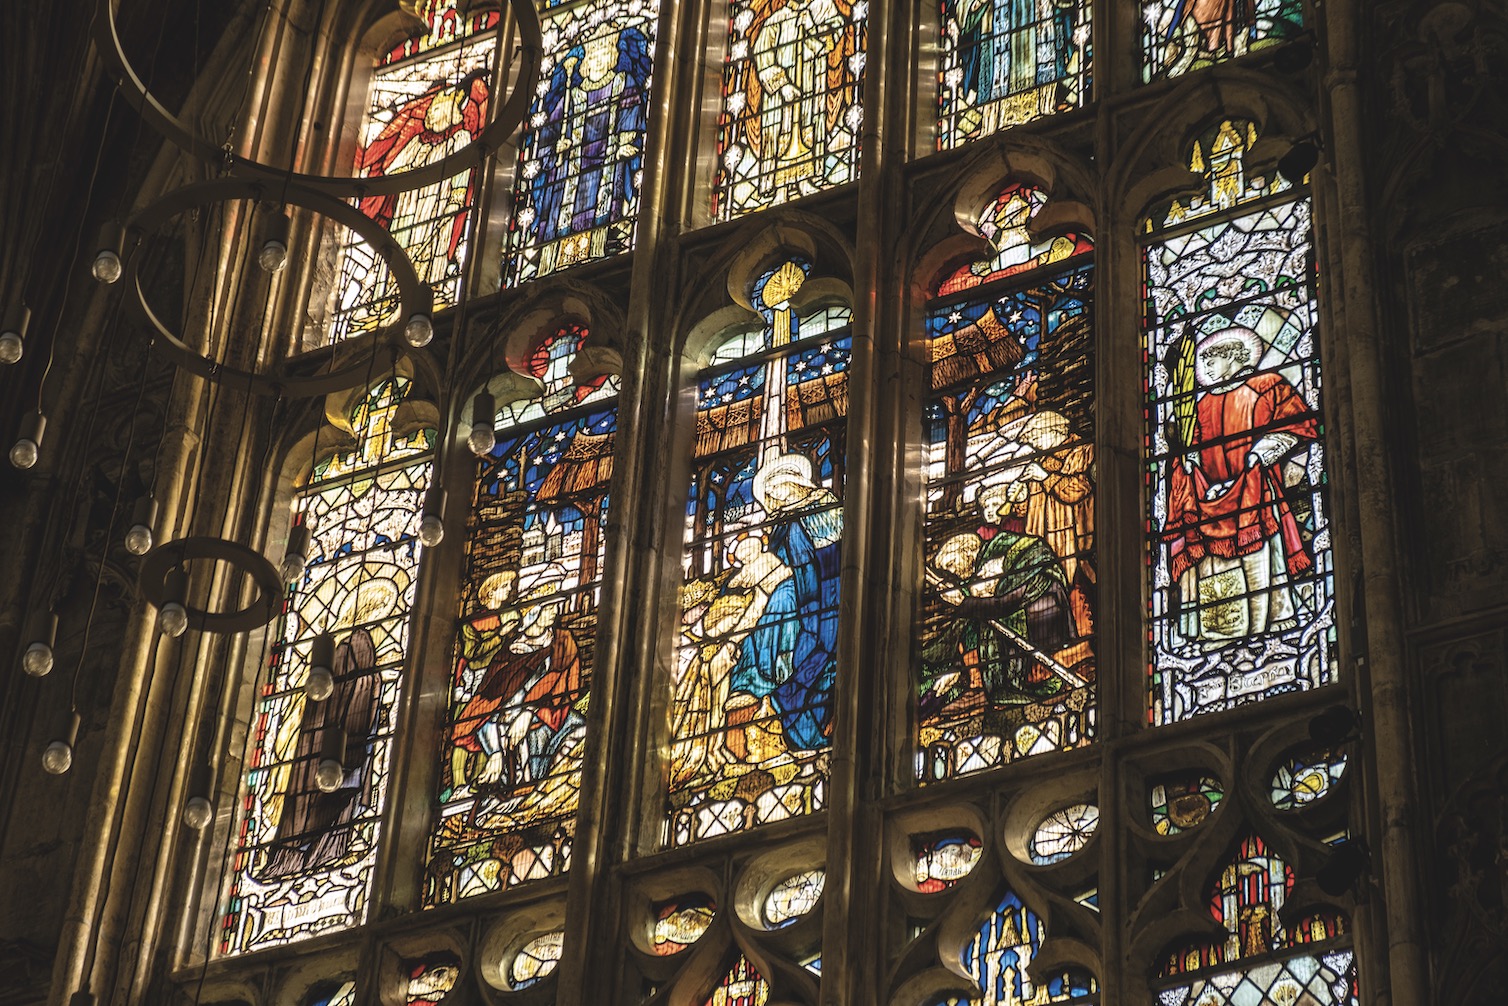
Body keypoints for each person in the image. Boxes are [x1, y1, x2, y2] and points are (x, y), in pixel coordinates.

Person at [1162, 327, 1319, 644]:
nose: (1203, 367)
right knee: (1213, 566)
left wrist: (1264, 450)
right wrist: (1188, 460)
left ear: (1235, 357)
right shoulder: (1199, 406)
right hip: (1210, 501)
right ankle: (1221, 633)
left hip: (1253, 493)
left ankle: (1268, 625)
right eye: (1201, 360)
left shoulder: (1267, 385)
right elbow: (1189, 449)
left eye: (1210, 359)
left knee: (1259, 561)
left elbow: (1296, 424)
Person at [732, 453, 842, 751]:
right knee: (782, 611)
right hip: (801, 596)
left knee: (822, 655)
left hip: (830, 590)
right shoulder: (781, 525)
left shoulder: (826, 506)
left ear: (795, 482)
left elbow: (840, 551)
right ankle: (765, 680)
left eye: (779, 486)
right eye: (772, 492)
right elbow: (777, 565)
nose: (777, 494)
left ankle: (812, 724)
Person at [261, 629, 381, 878]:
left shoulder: (358, 678)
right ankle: (314, 854)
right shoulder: (354, 678)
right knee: (317, 803)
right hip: (325, 764)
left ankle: (311, 854)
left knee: (316, 804)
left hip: (326, 764)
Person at [920, 527, 1075, 717]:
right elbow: (976, 619)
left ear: (967, 549)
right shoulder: (981, 572)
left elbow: (1007, 602)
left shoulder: (1004, 553)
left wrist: (964, 602)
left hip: (1042, 620)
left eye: (952, 564)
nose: (953, 572)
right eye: (948, 571)